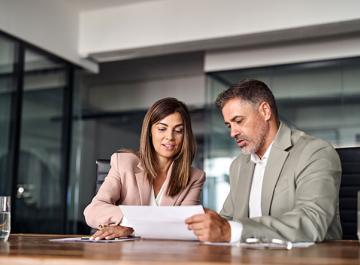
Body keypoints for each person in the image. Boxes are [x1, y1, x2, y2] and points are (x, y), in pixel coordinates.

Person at [186, 79, 342, 243]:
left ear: (265, 111)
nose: (233, 133)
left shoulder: (314, 152)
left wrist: (234, 230)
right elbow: (226, 220)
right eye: (229, 125)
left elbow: (311, 222)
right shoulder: (238, 165)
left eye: (239, 121)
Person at [84, 97, 205, 240]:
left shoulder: (195, 177)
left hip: (167, 255)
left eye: (178, 131)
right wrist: (128, 222)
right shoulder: (124, 163)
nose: (170, 137)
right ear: (149, 131)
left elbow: (186, 227)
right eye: (162, 129)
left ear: (185, 136)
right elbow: (93, 211)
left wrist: (132, 228)